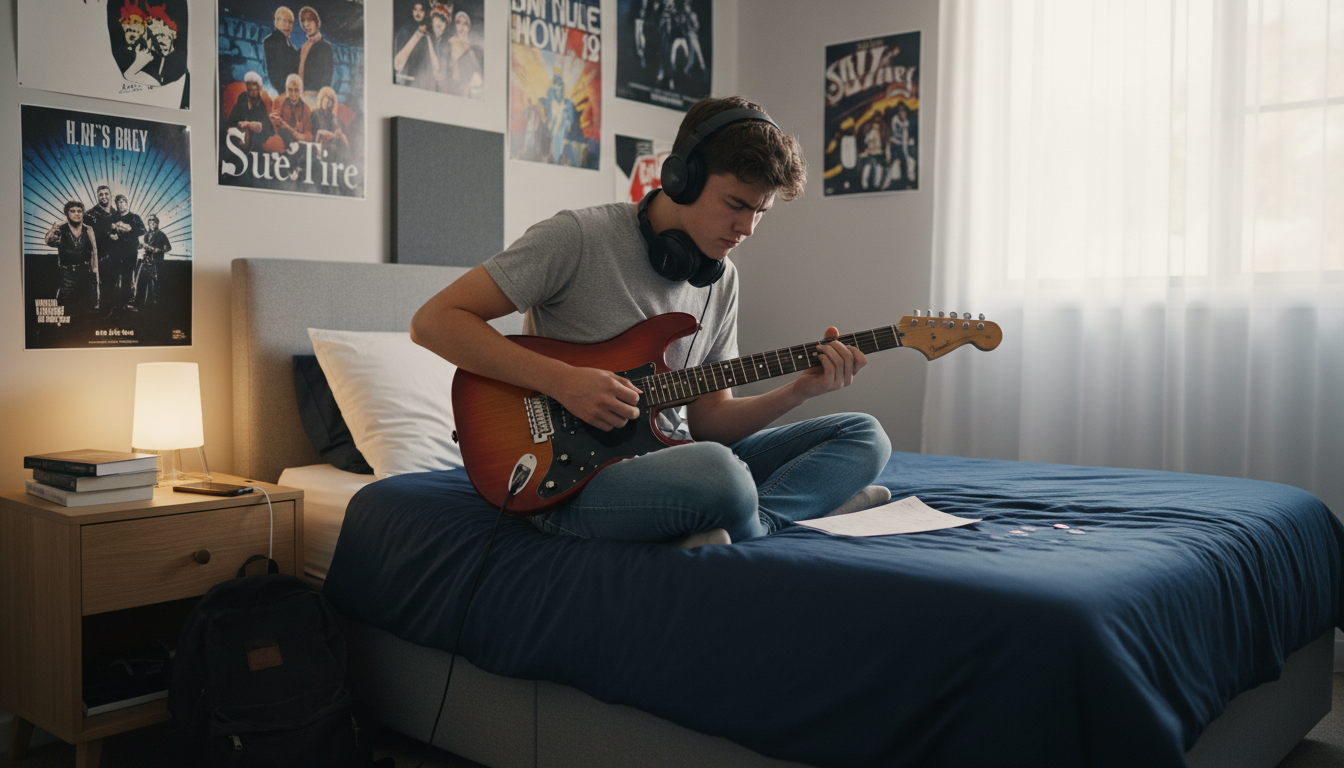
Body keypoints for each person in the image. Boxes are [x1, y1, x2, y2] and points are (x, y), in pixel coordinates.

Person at [410, 96, 891, 548]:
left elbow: (708, 422)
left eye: (761, 211)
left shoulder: (721, 280)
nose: (746, 228)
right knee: (719, 473)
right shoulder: (578, 238)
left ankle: (758, 521)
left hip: (676, 457)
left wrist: (799, 390)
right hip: (566, 479)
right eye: (736, 205)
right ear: (684, 178)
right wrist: (564, 382)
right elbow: (434, 321)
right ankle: (791, 509)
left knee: (865, 436)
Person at [45, 201, 99, 316]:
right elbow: (50, 241)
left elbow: (94, 250)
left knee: (87, 307)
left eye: (79, 211)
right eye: (73, 211)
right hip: (67, 273)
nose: (77, 214)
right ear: (67, 214)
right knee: (63, 305)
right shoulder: (61, 229)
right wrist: (52, 234)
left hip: (85, 272)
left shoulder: (88, 229)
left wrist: (94, 272)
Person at [103, 194, 146, 316]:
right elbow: (108, 232)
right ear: (116, 205)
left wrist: (130, 229)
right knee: (113, 279)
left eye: (123, 202)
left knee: (127, 279)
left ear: (127, 204)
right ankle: (113, 305)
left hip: (130, 253)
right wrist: (111, 232)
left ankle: (124, 305)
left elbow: (143, 230)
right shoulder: (113, 217)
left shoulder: (134, 217)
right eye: (118, 203)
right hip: (115, 253)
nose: (121, 204)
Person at [227, 71, 274, 154]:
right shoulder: (242, 98)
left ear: (258, 89)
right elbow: (233, 118)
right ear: (247, 88)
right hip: (240, 134)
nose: (253, 92)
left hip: (257, 137)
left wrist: (249, 124)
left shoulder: (261, 104)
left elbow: (265, 126)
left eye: (255, 90)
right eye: (251, 89)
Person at [133, 214, 170, 310]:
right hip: (146, 262)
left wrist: (159, 249)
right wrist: (140, 246)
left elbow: (168, 247)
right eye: (150, 222)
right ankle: (138, 305)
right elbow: (141, 247)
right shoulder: (146, 235)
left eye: (154, 222)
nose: (152, 224)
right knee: (141, 282)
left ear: (157, 223)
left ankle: (155, 308)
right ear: (148, 224)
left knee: (155, 286)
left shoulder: (161, 235)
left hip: (156, 264)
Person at [393, 2, 435, 88]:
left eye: (421, 10)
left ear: (424, 12)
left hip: (422, 80)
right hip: (406, 80)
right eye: (415, 9)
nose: (417, 12)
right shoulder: (405, 30)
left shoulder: (429, 33)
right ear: (412, 11)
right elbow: (398, 64)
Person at [442, 11, 482, 98]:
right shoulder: (450, 41)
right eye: (458, 22)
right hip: (451, 86)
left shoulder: (473, 49)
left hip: (466, 89)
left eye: (465, 23)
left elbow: (477, 70)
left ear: (469, 27)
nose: (461, 26)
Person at [296, 6, 334, 95]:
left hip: (315, 98)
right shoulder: (303, 47)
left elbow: (327, 77)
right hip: (300, 96)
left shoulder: (325, 47)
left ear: (317, 22)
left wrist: (318, 95)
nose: (306, 25)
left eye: (310, 20)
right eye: (303, 21)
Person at [264, 6, 299, 95]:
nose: (287, 25)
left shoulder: (286, 42)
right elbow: (276, 74)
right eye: (284, 21)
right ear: (276, 22)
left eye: (290, 22)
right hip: (283, 93)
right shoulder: (273, 40)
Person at [311, 86, 349, 161]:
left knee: (342, 138)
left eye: (330, 100)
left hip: (330, 144)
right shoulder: (314, 114)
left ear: (333, 103)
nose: (327, 102)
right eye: (325, 99)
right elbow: (315, 133)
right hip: (318, 144)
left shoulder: (334, 118)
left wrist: (339, 132)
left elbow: (339, 131)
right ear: (321, 100)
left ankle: (348, 157)